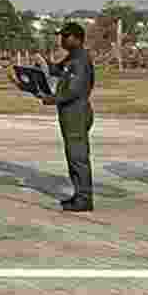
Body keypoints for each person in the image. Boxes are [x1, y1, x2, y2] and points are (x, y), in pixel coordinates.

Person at [40, 22, 96, 212]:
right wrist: (44, 64)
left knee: (78, 156)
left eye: (66, 36)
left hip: (76, 112)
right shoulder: (72, 57)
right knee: (73, 155)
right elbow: (57, 70)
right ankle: (79, 194)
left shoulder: (80, 60)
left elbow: (74, 90)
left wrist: (52, 99)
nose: (62, 40)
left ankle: (84, 198)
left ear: (77, 38)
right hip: (70, 112)